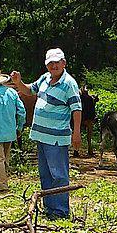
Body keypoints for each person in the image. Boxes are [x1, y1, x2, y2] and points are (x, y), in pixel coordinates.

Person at [28, 47, 82, 218]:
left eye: (57, 62)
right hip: (41, 136)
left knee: (58, 175)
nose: (54, 65)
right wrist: (18, 81)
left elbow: (77, 109)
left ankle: (60, 211)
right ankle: (49, 209)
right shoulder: (45, 78)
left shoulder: (69, 83)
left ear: (64, 63)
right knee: (45, 174)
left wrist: (77, 132)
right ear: (46, 65)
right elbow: (30, 90)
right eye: (50, 63)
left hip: (57, 137)